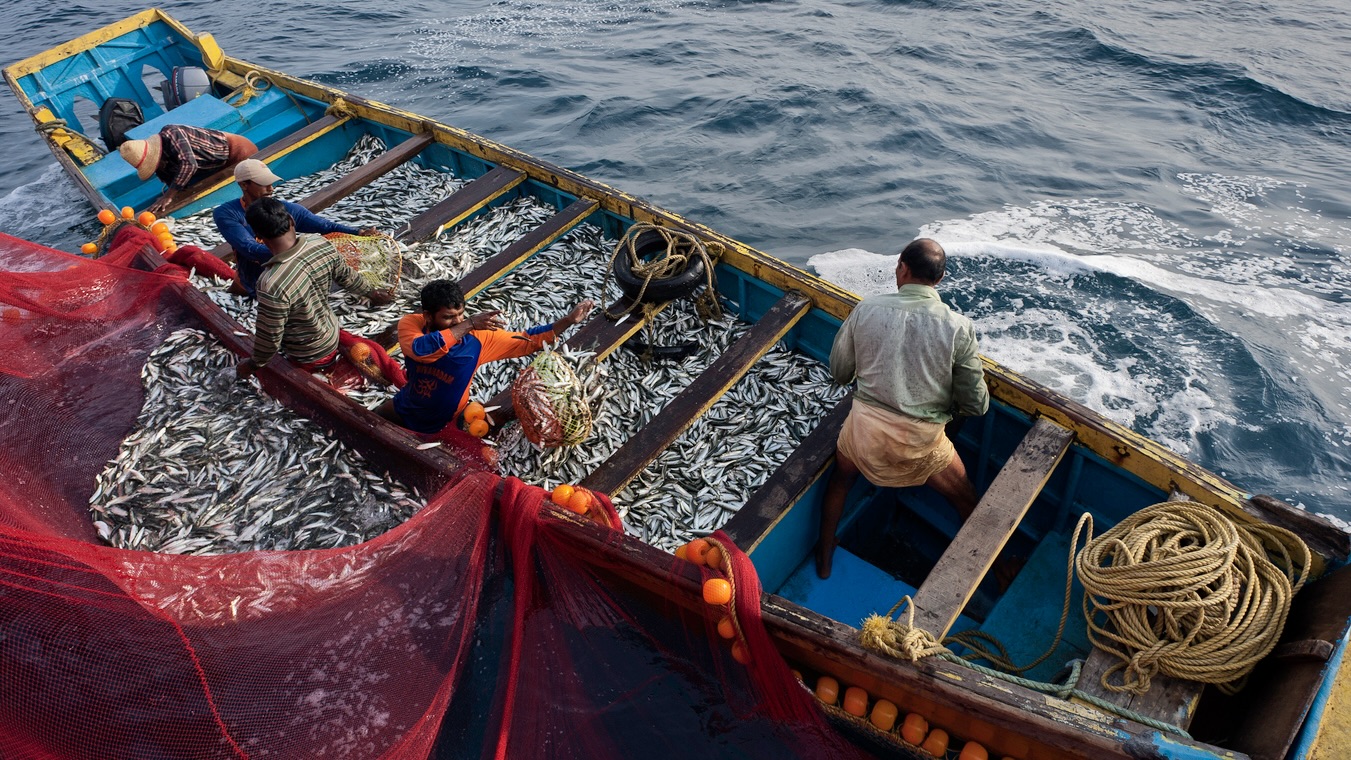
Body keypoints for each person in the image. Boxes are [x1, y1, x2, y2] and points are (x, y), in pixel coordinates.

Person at [816, 238, 989, 579]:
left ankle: (824, 555)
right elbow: (977, 404)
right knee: (967, 497)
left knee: (840, 481)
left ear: (902, 268)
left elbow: (839, 373)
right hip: (920, 444)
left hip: (862, 434)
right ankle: (989, 572)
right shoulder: (958, 327)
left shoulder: (866, 309)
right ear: (939, 279)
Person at [375, 279, 594, 437]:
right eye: (448, 317)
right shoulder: (411, 324)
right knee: (371, 418)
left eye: (461, 314)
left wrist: (567, 321)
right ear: (428, 316)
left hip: (444, 420)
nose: (457, 321)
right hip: (408, 405)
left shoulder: (479, 339)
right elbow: (421, 350)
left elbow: (528, 340)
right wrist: (468, 323)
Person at [234, 197, 405, 388]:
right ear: (291, 220)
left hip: (307, 354)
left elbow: (270, 340)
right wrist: (374, 294)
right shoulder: (319, 242)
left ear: (258, 235)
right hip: (331, 331)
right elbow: (348, 277)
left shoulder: (270, 283)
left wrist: (250, 365)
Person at [213, 159, 381, 296]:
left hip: (289, 280)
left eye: (271, 183)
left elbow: (324, 226)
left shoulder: (283, 209)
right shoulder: (226, 213)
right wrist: (302, 252)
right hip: (252, 280)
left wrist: (358, 233)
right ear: (244, 185)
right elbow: (249, 248)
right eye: (263, 184)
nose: (271, 189)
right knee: (233, 297)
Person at [119, 124, 258, 215]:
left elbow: (189, 164)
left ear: (158, 153)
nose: (157, 168)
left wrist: (169, 196)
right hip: (217, 167)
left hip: (238, 152)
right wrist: (166, 202)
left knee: (250, 194)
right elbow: (174, 184)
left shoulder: (172, 133)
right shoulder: (162, 167)